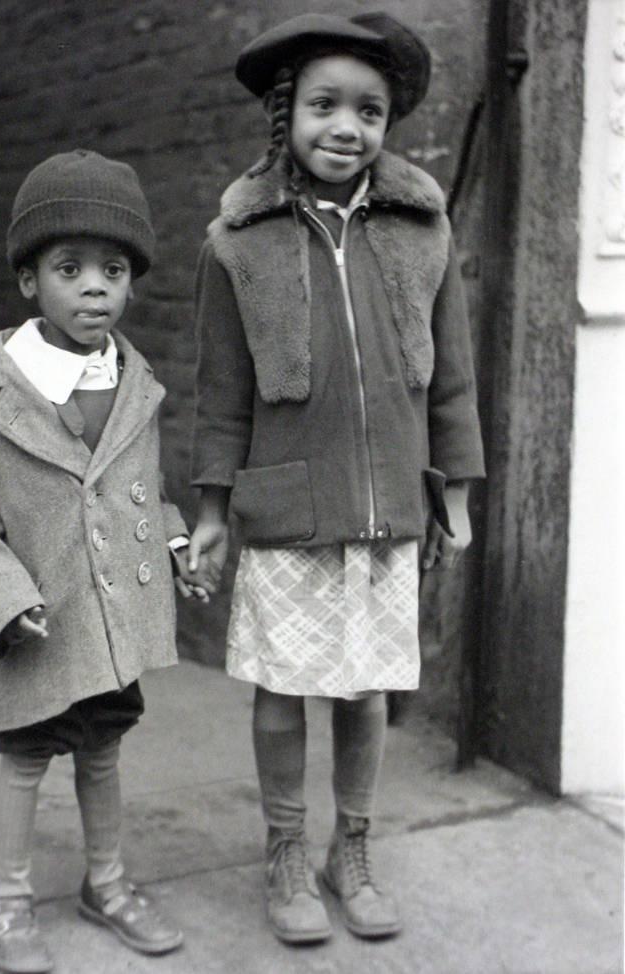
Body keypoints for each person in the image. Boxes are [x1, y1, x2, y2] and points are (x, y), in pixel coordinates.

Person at [187, 11, 485, 946]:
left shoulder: (421, 231)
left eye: (370, 109)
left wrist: (458, 495)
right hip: (288, 505)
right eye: (325, 105)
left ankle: (349, 848)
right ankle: (284, 850)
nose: (346, 127)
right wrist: (212, 507)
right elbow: (221, 392)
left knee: (366, 690)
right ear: (287, 114)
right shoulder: (240, 242)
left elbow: (454, 377)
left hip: (391, 503)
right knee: (284, 688)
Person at [0, 149, 206, 973]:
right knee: (25, 758)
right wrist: (1, 596)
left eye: (113, 270)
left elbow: (142, 492)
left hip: (109, 619)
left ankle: (106, 883)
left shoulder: (134, 382)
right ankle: (7, 903)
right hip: (38, 622)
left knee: (104, 750)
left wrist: (177, 541)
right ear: (26, 281)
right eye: (69, 267)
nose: (94, 287)